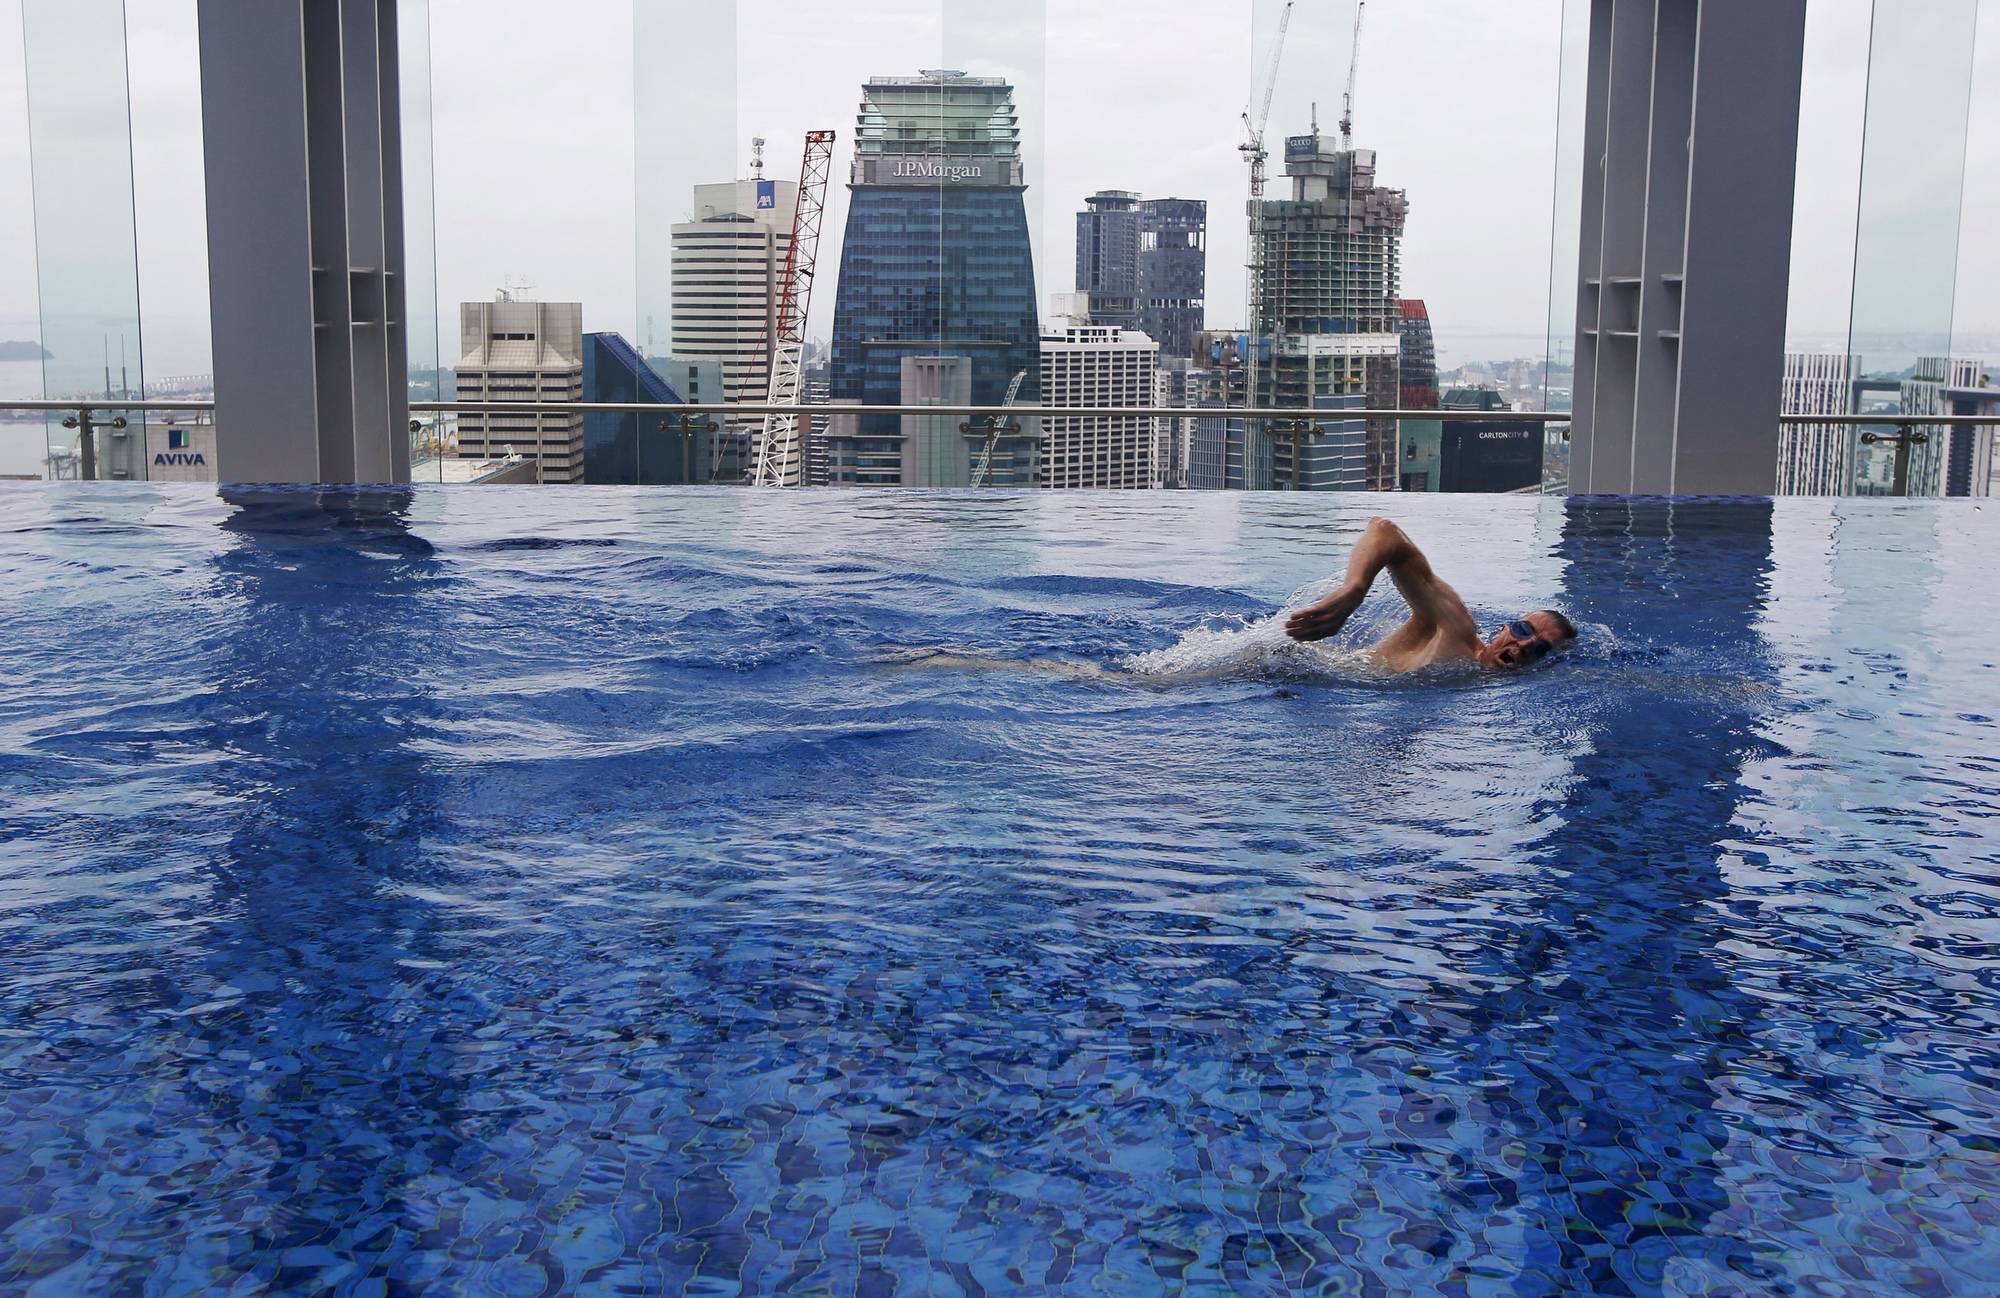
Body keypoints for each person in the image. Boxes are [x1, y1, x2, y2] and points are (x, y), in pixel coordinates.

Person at [1284, 517, 1577, 672]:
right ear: (1503, 629)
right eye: (1524, 630)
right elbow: (1385, 531)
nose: (1525, 645)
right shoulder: (1456, 629)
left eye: (1541, 649)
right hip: (1286, 661)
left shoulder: (1472, 681)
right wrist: (1354, 589)